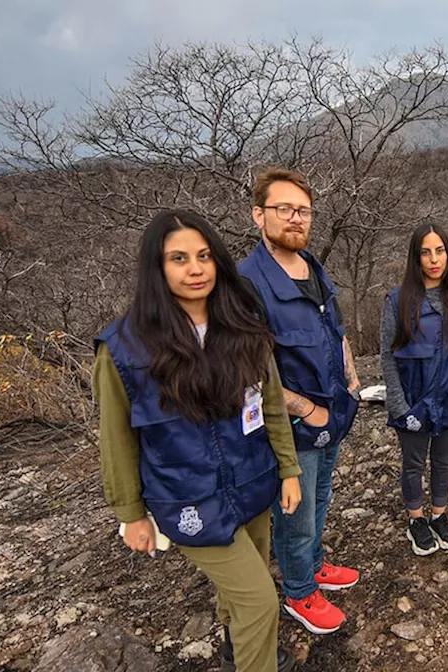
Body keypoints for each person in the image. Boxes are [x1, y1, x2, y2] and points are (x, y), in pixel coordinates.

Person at [95, 209, 301, 672]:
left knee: (241, 595)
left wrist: (288, 469)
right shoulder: (125, 349)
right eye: (179, 258)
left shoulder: (242, 324)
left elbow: (269, 404)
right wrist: (131, 514)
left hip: (253, 480)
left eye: (204, 255)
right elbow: (116, 437)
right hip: (187, 498)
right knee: (260, 602)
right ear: (156, 268)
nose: (195, 268)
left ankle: (237, 650)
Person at [237, 169, 360, 635]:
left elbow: (337, 331)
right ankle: (299, 590)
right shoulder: (248, 282)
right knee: (297, 510)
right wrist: (307, 410)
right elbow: (252, 372)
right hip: (294, 424)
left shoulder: (312, 264)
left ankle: (314, 563)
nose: (295, 218)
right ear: (259, 215)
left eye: (303, 210)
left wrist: (351, 382)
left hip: (335, 410)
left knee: (322, 497)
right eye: (283, 209)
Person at [381, 223, 448, 555]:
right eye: (426, 252)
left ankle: (439, 515)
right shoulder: (397, 301)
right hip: (413, 400)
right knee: (413, 463)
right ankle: (416, 520)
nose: (434, 259)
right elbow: (386, 355)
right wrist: (398, 404)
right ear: (415, 256)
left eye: (440, 251)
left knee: (442, 461)